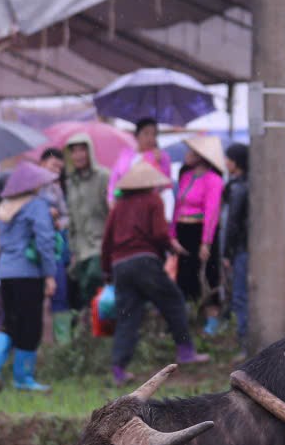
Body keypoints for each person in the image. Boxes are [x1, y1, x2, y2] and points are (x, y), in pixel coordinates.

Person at [104, 161, 208, 379]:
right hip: (144, 260)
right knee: (173, 301)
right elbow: (160, 233)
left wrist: (107, 269)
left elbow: (107, 240)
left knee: (128, 316)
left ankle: (118, 368)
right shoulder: (153, 200)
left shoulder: (120, 205)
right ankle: (185, 351)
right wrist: (171, 246)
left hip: (120, 264)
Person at [0, 163, 58, 392]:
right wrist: (50, 274)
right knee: (31, 325)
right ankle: (23, 379)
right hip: (28, 274)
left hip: (6, 273)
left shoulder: (3, 208)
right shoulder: (36, 205)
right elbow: (45, 242)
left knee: (11, 322)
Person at [174, 134, 226, 327]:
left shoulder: (213, 180)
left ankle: (212, 320)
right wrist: (172, 236)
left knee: (208, 275)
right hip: (184, 232)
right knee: (185, 276)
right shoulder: (186, 176)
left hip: (202, 232)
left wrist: (206, 242)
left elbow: (211, 212)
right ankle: (189, 320)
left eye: (191, 152)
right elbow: (177, 207)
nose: (187, 154)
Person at [61, 132, 110, 311]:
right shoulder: (70, 182)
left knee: (94, 279)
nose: (78, 155)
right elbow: (72, 217)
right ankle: (91, 331)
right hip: (79, 249)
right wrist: (73, 248)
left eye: (82, 150)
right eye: (73, 151)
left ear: (90, 152)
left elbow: (111, 211)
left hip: (100, 244)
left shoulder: (104, 176)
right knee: (84, 294)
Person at [218, 143, 253, 348]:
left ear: (237, 162)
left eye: (229, 158)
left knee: (240, 296)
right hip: (245, 247)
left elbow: (232, 223)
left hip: (240, 249)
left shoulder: (238, 188)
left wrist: (227, 253)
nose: (226, 162)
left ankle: (244, 341)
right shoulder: (242, 184)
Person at [108, 119, 174, 203]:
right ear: (137, 135)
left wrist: (158, 164)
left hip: (148, 204)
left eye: (154, 134)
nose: (150, 138)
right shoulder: (125, 154)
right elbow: (115, 180)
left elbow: (165, 185)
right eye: (146, 133)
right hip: (125, 201)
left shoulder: (162, 156)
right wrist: (113, 197)